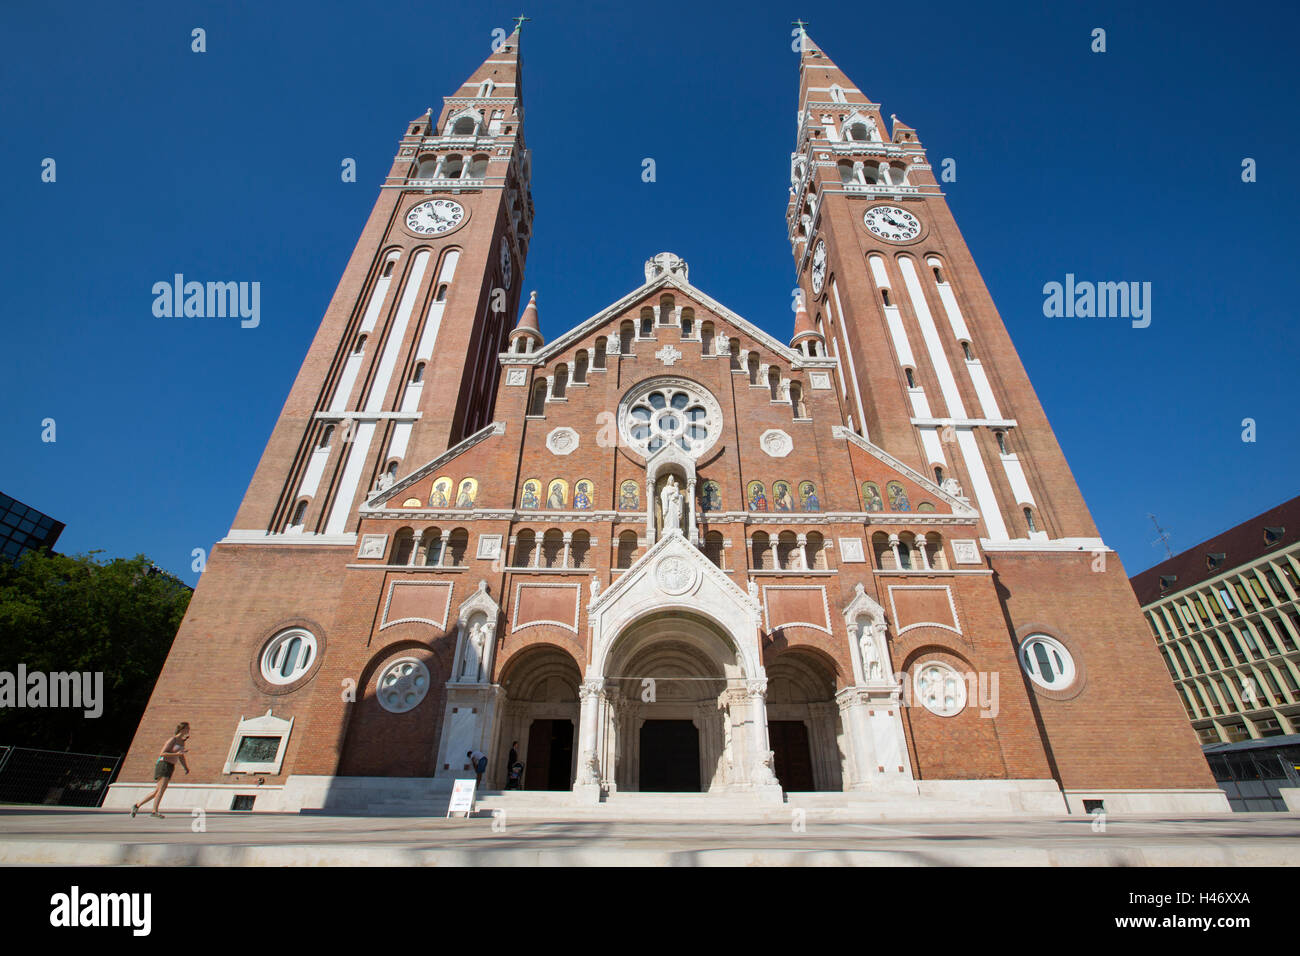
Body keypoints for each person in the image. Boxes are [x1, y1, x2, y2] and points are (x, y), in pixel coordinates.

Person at [132, 722, 190, 818]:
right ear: (182, 729)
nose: (189, 730)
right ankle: (154, 811)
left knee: (158, 790)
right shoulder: (173, 740)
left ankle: (137, 805)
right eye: (187, 728)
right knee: (162, 788)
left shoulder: (182, 741)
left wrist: (185, 767)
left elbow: (181, 756)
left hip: (171, 766)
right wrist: (177, 754)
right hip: (163, 764)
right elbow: (162, 753)